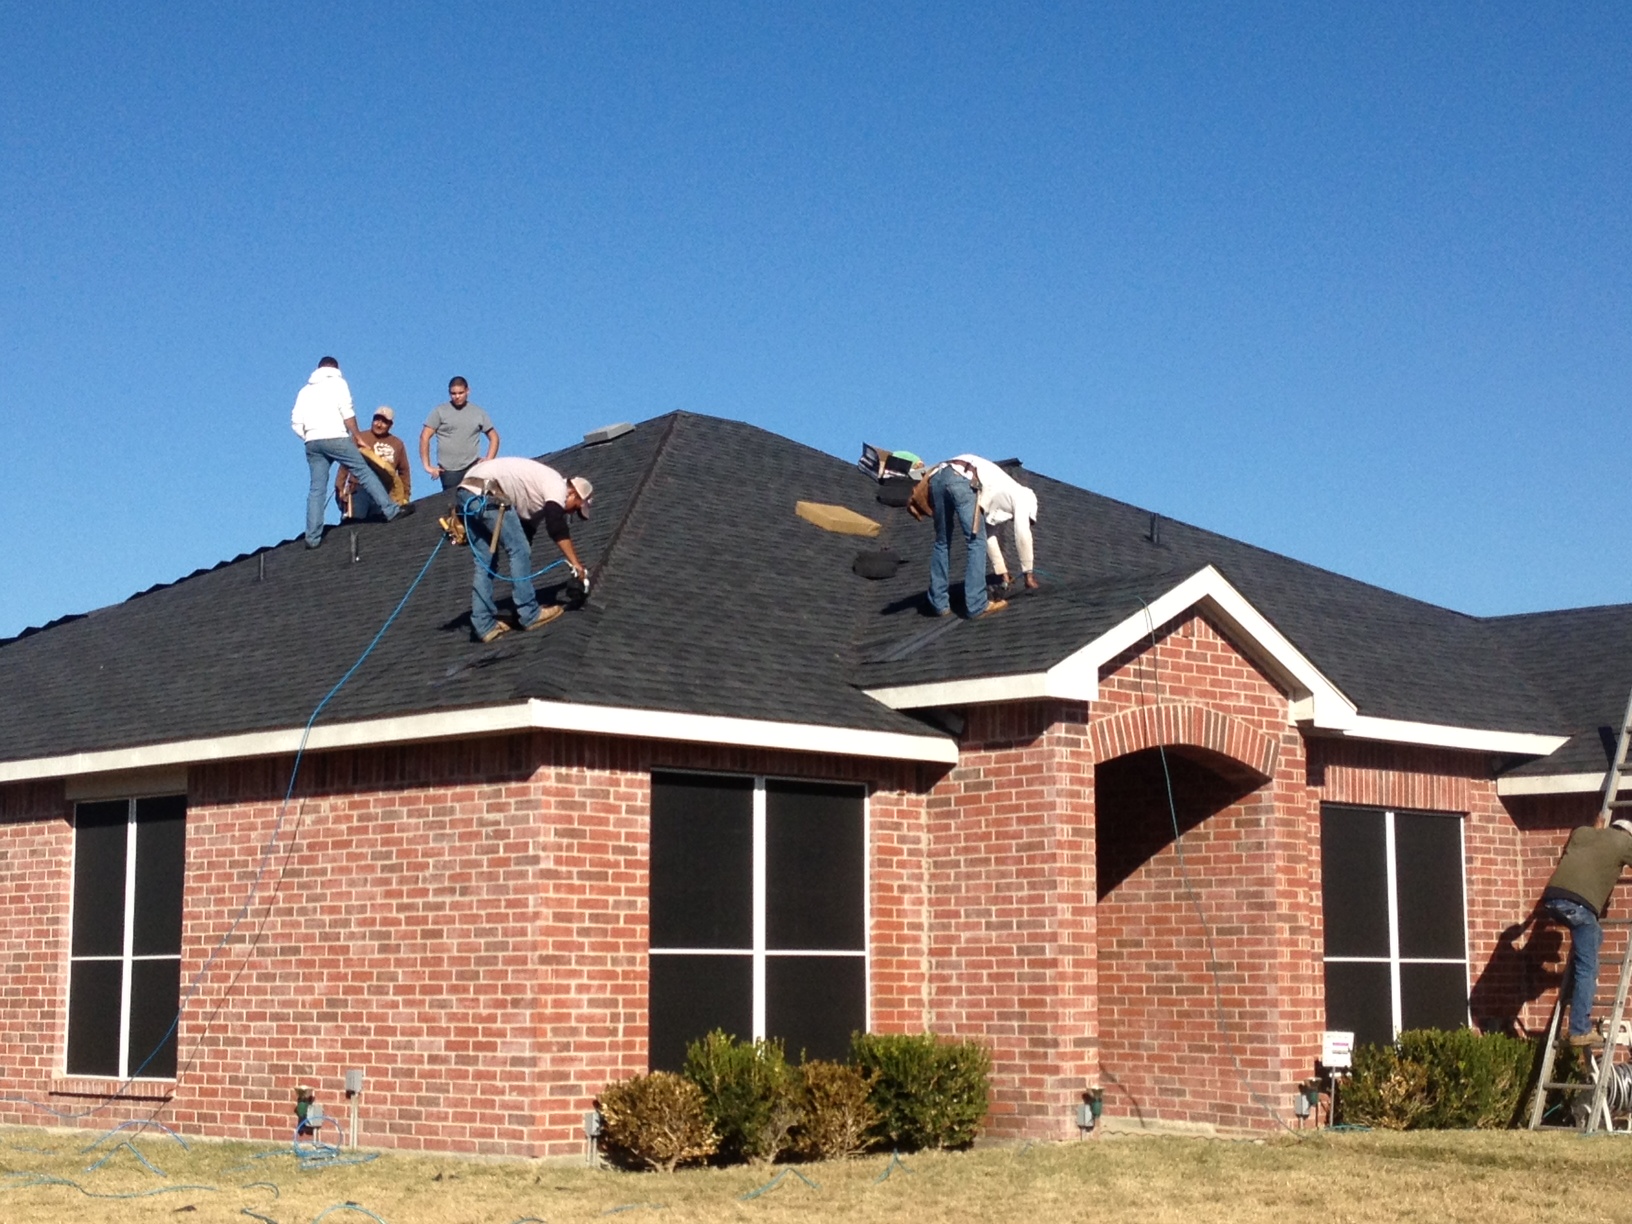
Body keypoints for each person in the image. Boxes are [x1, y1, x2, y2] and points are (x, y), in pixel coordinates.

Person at [456, 456, 593, 643]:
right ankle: (529, 613)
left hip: (466, 492)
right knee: (518, 551)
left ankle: (484, 625)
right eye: (574, 508)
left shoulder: (536, 502)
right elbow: (555, 527)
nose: (569, 513)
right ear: (572, 493)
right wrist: (576, 565)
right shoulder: (556, 485)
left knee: (485, 561)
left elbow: (525, 536)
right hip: (487, 492)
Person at [291, 358, 411, 548]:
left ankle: (312, 538)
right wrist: (357, 435)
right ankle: (391, 510)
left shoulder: (305, 391)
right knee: (363, 471)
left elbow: (296, 422)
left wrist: (309, 436)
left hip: (312, 442)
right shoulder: (339, 384)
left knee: (317, 489)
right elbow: (347, 413)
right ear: (336, 369)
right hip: (336, 438)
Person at [1541, 818, 1632, 1045]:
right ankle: (1579, 1030)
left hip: (1552, 899)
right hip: (1579, 907)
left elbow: (1594, 831)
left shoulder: (1582, 832)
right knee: (1588, 969)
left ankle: (1577, 985)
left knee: (1594, 936)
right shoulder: (1625, 843)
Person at [916, 454, 1039, 619]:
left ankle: (939, 604)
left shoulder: (1003, 494)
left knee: (942, 542)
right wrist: (1028, 574)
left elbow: (990, 537)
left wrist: (1002, 572)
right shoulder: (1024, 496)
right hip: (962, 478)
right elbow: (1023, 534)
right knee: (975, 543)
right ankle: (977, 605)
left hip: (938, 476)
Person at [421, 376, 499, 491]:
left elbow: (494, 437)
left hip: (472, 468)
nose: (457, 396)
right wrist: (427, 466)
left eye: (460, 393)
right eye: (453, 393)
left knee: (474, 502)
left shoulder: (478, 413)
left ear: (468, 391)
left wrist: (489, 459)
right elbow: (424, 436)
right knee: (453, 504)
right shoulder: (440, 411)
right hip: (449, 471)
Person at [338, 406, 412, 521]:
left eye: (384, 422)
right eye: (377, 419)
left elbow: (404, 472)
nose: (379, 424)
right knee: (353, 524)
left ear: (390, 425)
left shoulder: (397, 444)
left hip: (384, 493)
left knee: (379, 529)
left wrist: (405, 497)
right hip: (359, 489)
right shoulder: (360, 438)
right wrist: (340, 488)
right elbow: (344, 465)